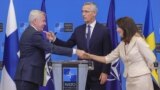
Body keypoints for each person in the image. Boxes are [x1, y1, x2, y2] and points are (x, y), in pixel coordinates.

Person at [14, 10, 84, 90]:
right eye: (43, 21)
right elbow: (51, 48)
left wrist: (51, 40)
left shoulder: (30, 32)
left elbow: (40, 47)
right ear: (35, 21)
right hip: (27, 78)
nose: (45, 24)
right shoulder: (34, 33)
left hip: (28, 77)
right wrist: (74, 51)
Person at [83, 17, 156, 90]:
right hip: (129, 80)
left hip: (142, 80)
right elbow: (107, 59)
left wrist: (146, 72)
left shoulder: (138, 41)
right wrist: (90, 56)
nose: (117, 30)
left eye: (119, 27)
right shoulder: (122, 44)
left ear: (126, 28)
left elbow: (152, 59)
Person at [51, 2, 112, 90]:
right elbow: (68, 45)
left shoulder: (104, 30)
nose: (83, 14)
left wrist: (105, 72)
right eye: (82, 11)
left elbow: (107, 53)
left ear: (94, 13)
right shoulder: (78, 30)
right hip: (81, 73)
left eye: (86, 11)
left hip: (98, 74)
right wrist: (54, 39)